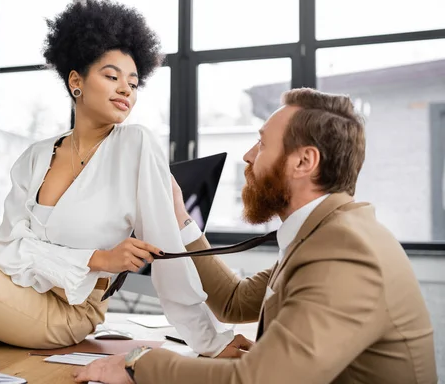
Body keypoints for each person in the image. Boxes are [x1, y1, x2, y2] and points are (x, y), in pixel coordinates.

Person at [0, 0, 242, 377]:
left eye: (134, 83)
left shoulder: (135, 146)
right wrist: (96, 259)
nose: (126, 89)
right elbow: (5, 250)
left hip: (66, 313)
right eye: (111, 76)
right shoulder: (35, 157)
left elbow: (168, 250)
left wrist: (209, 339)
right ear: (77, 81)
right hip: (9, 293)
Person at [73, 88, 438, 384]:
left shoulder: (346, 252)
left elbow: (257, 381)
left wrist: (139, 364)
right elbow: (235, 301)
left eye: (262, 144)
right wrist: (181, 220)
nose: (248, 156)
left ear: (303, 162)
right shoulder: (325, 235)